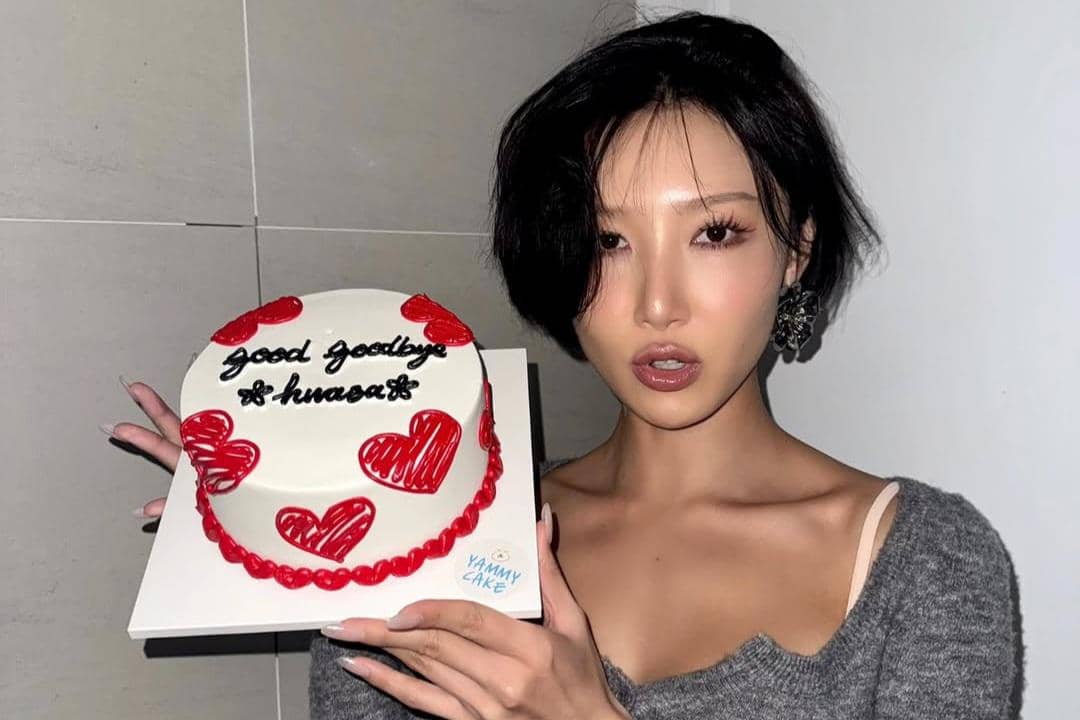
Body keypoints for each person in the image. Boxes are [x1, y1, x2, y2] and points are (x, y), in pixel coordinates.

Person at [110, 11, 1020, 719]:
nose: (657, 303)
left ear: (796, 250)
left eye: (715, 232)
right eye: (609, 241)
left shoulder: (921, 563)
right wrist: (295, 516)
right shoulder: (442, 533)